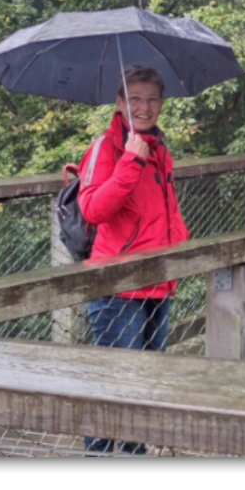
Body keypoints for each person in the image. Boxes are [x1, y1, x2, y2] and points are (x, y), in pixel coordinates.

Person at [77, 64, 189, 455]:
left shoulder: (159, 148)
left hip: (159, 279)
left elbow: (166, 211)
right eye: (135, 99)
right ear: (120, 103)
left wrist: (182, 247)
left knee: (146, 385)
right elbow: (93, 209)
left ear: (162, 104)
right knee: (115, 383)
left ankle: (133, 459)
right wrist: (130, 161)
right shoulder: (105, 147)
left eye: (152, 99)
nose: (145, 107)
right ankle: (97, 458)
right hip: (118, 288)